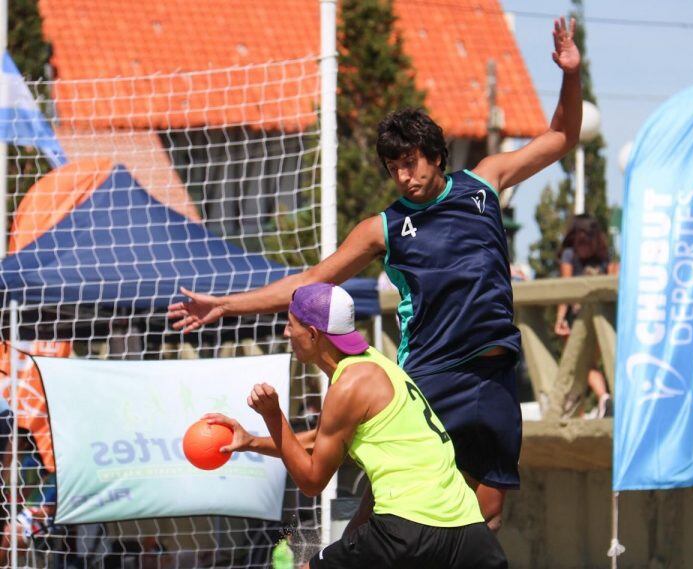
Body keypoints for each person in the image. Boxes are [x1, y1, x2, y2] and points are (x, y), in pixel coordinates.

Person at [168, 16, 582, 531]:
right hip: (430, 372)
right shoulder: (384, 227)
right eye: (394, 169)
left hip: (495, 372)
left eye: (411, 162)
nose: (405, 176)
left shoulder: (486, 181)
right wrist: (226, 304)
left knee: (487, 511)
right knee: (386, 509)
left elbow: (562, 135)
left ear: (435, 154)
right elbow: (309, 284)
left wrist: (569, 75)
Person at [206, 283, 508, 568]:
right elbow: (320, 440)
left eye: (290, 323)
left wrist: (273, 416)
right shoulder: (377, 364)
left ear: (312, 334)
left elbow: (312, 481)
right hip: (469, 533)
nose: (286, 332)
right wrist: (250, 442)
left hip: (407, 529)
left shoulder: (349, 385)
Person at [555, 214, 618, 418]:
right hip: (586, 319)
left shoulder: (596, 256)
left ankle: (598, 400)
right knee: (583, 365)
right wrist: (561, 317)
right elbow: (566, 289)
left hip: (589, 320)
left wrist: (560, 318)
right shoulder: (589, 255)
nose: (582, 247)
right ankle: (601, 400)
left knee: (580, 365)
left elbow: (565, 290)